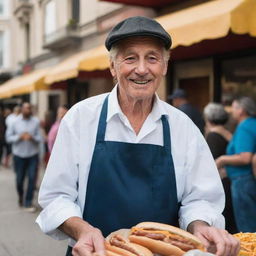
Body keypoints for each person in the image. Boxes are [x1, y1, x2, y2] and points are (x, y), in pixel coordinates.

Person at [36, 16, 239, 256]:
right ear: (113, 67)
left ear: (164, 66)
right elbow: (56, 197)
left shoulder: (182, 127)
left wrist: (200, 225)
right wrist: (82, 230)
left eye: (152, 58)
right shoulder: (80, 118)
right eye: (130, 58)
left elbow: (200, 199)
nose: (141, 69)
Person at [215, 97, 256, 232]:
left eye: (234, 107)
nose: (231, 111)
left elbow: (245, 157)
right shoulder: (252, 124)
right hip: (248, 179)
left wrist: (222, 160)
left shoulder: (245, 126)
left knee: (247, 227)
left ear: (241, 111)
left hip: (243, 181)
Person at [203, 103, 237, 234]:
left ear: (208, 118)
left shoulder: (213, 136)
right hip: (229, 180)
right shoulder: (227, 132)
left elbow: (209, 162)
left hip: (221, 183)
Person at [6, 102, 41, 211]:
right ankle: (21, 196)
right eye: (26, 108)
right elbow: (8, 138)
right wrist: (19, 137)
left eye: (29, 108)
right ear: (21, 109)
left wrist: (32, 138)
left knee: (31, 178)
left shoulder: (36, 121)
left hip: (32, 155)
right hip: (19, 155)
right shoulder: (14, 122)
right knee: (19, 180)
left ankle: (28, 202)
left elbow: (40, 138)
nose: (28, 110)